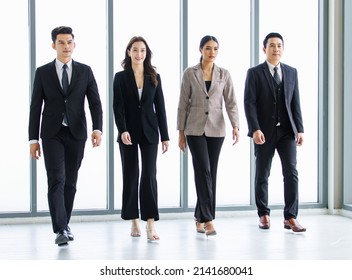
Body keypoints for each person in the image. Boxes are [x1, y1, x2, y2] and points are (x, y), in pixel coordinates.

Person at [28, 26, 103, 246]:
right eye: (61, 42)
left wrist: (97, 128)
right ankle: (60, 228)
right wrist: (33, 140)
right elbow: (35, 107)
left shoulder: (85, 71)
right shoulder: (43, 72)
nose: (66, 46)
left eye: (69, 42)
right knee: (56, 179)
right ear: (54, 46)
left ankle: (65, 223)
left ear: (74, 44)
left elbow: (95, 102)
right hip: (51, 134)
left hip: (77, 132)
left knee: (70, 182)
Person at [177, 35, 240, 236]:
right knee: (203, 170)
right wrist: (180, 132)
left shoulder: (224, 74)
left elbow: (231, 102)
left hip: (216, 129)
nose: (211, 52)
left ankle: (199, 215)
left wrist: (236, 126)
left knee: (211, 173)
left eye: (215, 49)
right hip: (194, 129)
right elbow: (182, 104)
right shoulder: (190, 73)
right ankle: (209, 219)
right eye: (207, 48)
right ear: (200, 50)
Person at [244, 32, 306, 232]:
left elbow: (295, 102)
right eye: (272, 45)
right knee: (262, 173)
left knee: (291, 173)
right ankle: (263, 214)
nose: (276, 49)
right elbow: (249, 103)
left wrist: (300, 129)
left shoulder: (291, 72)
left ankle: (291, 217)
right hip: (264, 132)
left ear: (283, 48)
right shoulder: (254, 73)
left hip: (287, 131)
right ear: (264, 49)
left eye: (279, 45)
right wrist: (255, 129)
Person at [113, 36, 169, 241]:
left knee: (149, 175)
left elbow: (160, 108)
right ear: (129, 52)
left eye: (143, 50)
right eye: (135, 50)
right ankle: (133, 219)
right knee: (130, 174)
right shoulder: (120, 77)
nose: (139, 54)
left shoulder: (154, 76)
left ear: (147, 53)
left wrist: (165, 136)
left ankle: (150, 223)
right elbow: (117, 107)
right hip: (128, 133)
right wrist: (122, 130)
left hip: (150, 131)